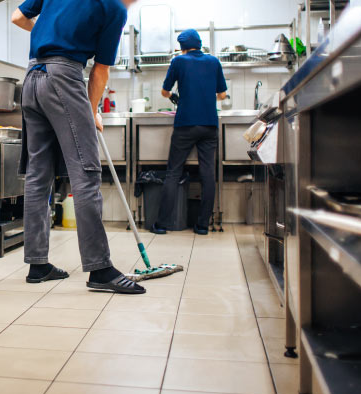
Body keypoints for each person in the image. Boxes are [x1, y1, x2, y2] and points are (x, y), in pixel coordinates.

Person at [12, 0, 145, 294]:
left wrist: (46, 35)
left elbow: (17, 17)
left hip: (31, 79)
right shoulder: (114, 8)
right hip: (63, 77)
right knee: (86, 172)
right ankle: (100, 270)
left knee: (38, 175)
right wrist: (92, 109)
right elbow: (100, 72)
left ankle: (38, 265)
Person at [152, 29, 228, 236]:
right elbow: (222, 95)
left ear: (183, 47)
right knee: (207, 174)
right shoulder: (214, 62)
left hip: (185, 124)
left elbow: (165, 91)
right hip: (209, 125)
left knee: (173, 172)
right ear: (199, 44)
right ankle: (203, 225)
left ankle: (162, 224)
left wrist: (176, 95)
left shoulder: (178, 61)